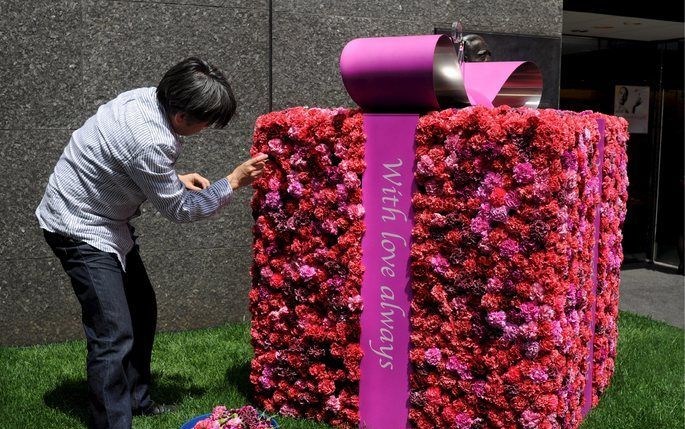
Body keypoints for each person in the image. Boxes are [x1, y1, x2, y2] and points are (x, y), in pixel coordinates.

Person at [35, 57, 267, 429]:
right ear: (180, 117)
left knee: (141, 309)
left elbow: (125, 157)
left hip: (107, 218)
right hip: (77, 225)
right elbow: (181, 210)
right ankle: (113, 423)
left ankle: (136, 400)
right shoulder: (152, 141)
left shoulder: (145, 99)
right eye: (207, 122)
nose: (206, 129)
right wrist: (234, 181)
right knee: (112, 332)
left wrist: (170, 177)